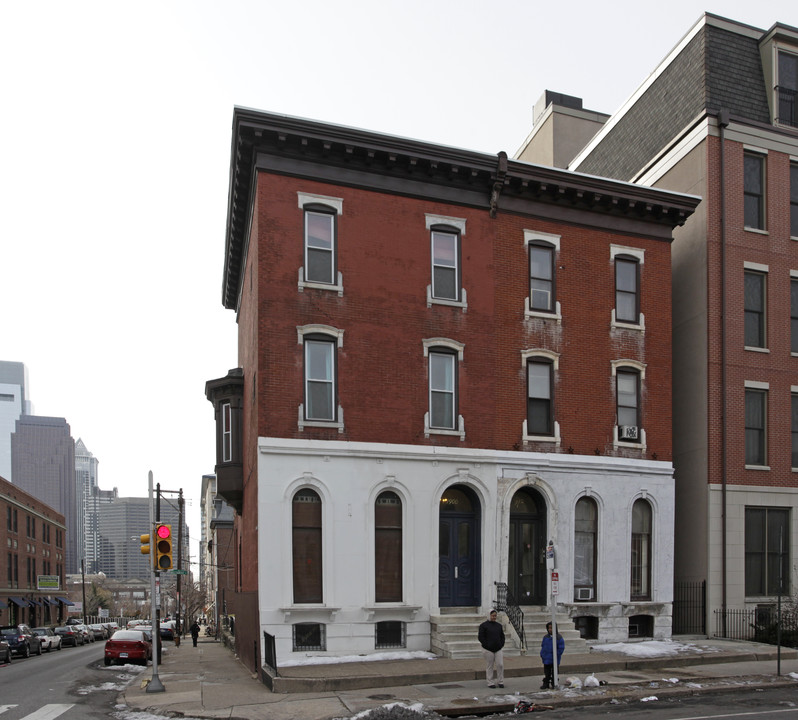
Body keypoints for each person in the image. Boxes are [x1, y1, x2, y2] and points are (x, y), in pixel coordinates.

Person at [477, 609, 505, 688]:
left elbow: (502, 636)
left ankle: (500, 681)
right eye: (492, 616)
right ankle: (490, 682)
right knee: (490, 665)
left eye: (495, 616)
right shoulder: (483, 626)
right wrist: (487, 645)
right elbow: (481, 637)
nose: (494, 617)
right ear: (489, 616)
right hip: (488, 649)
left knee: (500, 664)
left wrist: (501, 644)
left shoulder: (499, 626)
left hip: (498, 648)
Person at [539, 621, 565, 689]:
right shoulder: (546, 637)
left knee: (554, 673)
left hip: (554, 659)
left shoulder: (558, 638)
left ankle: (554, 683)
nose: (550, 629)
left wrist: (557, 655)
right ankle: (546, 683)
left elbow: (561, 648)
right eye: (549, 628)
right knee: (547, 672)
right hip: (546, 658)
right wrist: (542, 654)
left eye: (551, 628)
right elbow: (543, 646)